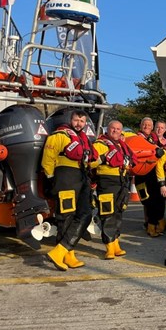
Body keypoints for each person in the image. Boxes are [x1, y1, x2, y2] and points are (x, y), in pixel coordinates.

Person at [43, 109, 97, 271]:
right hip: (65, 177)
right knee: (66, 216)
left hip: (81, 177)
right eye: (76, 120)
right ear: (70, 120)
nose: (79, 124)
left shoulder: (84, 139)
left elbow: (93, 160)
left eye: (82, 121)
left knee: (85, 214)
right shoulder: (60, 135)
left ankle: (63, 250)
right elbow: (48, 157)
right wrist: (51, 178)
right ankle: (66, 253)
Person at [90, 120, 133, 259]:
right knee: (107, 213)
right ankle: (109, 246)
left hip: (122, 181)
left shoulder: (122, 145)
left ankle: (116, 243)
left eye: (118, 129)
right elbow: (90, 162)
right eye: (113, 128)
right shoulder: (100, 144)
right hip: (107, 182)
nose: (115, 131)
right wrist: (103, 158)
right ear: (107, 130)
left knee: (118, 212)